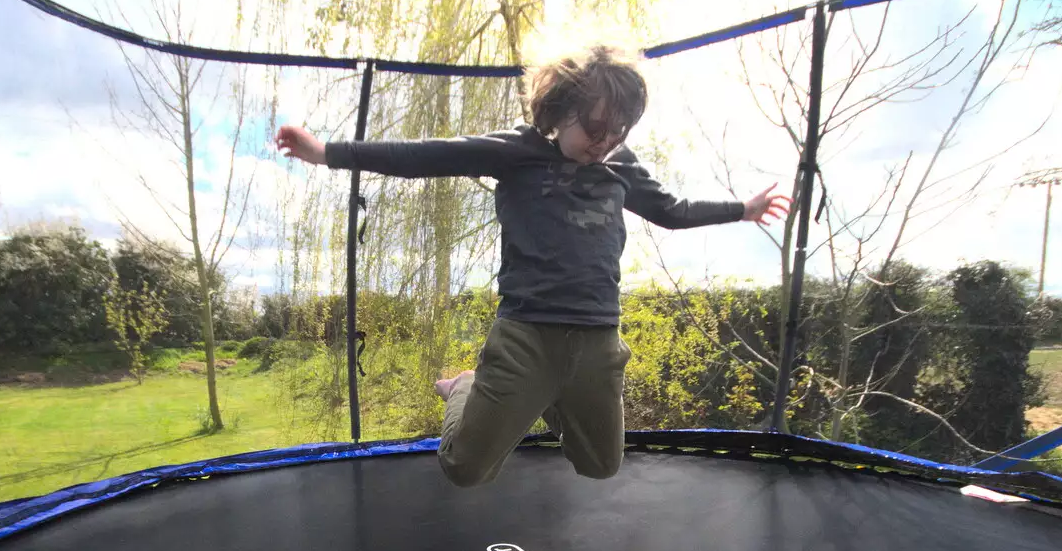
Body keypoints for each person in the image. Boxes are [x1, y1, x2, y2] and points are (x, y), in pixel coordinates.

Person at [275, 44, 790, 487]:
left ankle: (552, 396)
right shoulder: (517, 151)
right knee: (464, 468)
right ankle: (464, 388)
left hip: (596, 340)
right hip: (527, 336)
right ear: (562, 109)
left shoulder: (621, 166)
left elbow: (672, 212)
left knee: (601, 467)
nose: (605, 140)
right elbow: (425, 155)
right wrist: (327, 153)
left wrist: (740, 210)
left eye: (620, 130)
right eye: (595, 127)